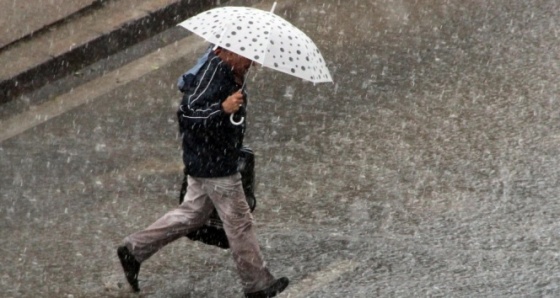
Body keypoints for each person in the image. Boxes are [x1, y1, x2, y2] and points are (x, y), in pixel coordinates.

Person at [117, 47, 289, 298]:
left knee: (192, 215)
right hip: (214, 164)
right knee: (239, 223)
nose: (253, 63)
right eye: (248, 56)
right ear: (228, 51)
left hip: (209, 160)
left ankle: (134, 249)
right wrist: (223, 109)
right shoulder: (213, 73)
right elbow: (188, 115)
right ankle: (258, 285)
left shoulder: (227, 70)